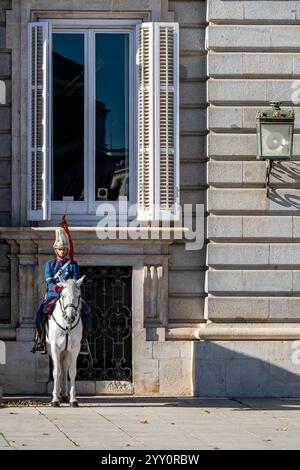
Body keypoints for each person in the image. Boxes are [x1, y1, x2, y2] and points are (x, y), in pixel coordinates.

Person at [32, 227, 92, 355]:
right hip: (54, 294)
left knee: (87, 312)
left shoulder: (73, 264)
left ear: (67, 250)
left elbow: (75, 279)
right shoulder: (50, 265)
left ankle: (83, 342)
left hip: (70, 294)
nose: (62, 251)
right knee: (39, 315)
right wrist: (57, 288)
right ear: (56, 250)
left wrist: (67, 288)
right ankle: (41, 341)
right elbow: (49, 280)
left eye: (64, 249)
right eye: (60, 249)